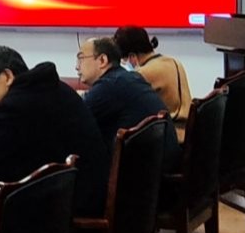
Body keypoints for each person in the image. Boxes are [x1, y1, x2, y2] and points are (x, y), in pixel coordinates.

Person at [0, 46, 111, 219]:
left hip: (68, 218)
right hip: (84, 199)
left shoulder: (17, 106)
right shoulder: (50, 89)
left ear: (7, 76)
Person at [76, 37, 180, 171]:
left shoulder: (110, 86)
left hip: (139, 174)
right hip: (158, 168)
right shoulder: (127, 78)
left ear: (102, 60)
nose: (77, 66)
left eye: (81, 58)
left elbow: (73, 119)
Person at [114, 25, 193, 141]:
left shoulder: (142, 74)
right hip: (188, 132)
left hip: (169, 137)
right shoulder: (174, 62)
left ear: (132, 56)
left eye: (124, 60)